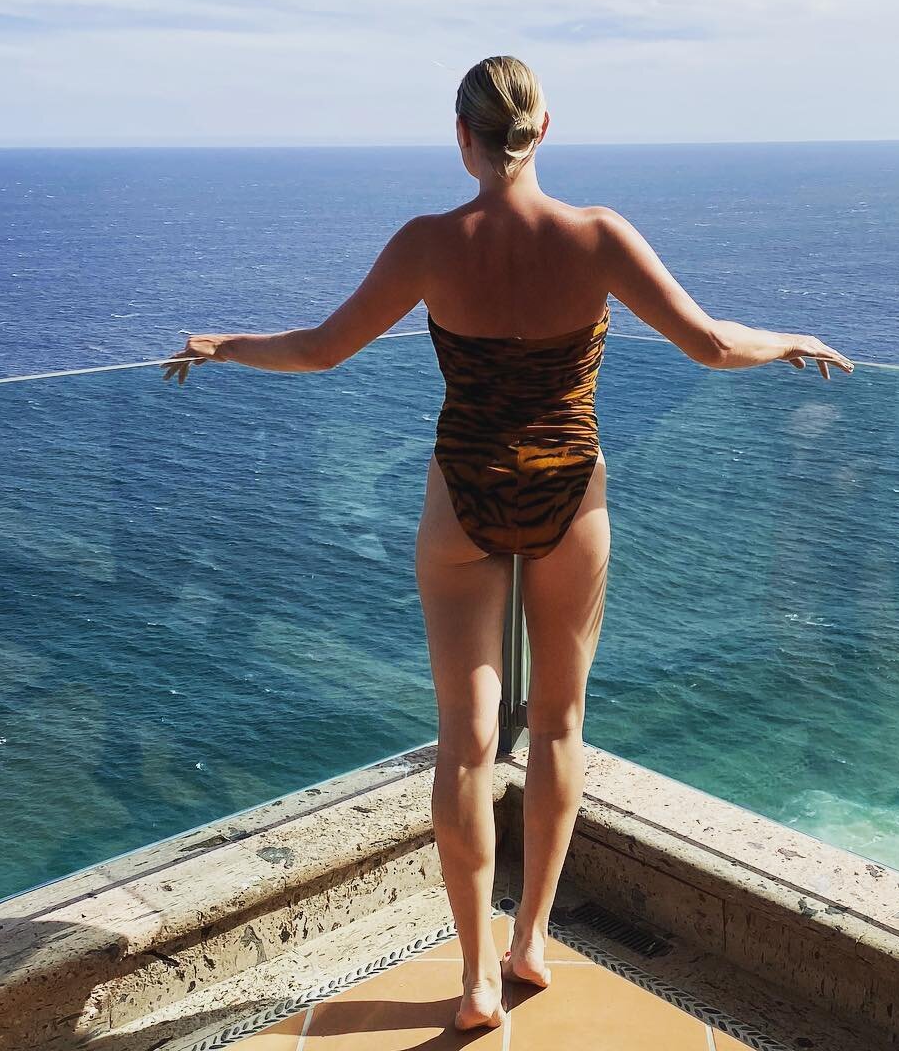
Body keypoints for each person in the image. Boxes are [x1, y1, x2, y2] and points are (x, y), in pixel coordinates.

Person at [161, 55, 853, 1032]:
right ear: (543, 131)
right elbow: (706, 342)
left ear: (463, 137)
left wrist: (223, 345)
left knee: (466, 739)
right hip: (574, 497)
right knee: (561, 725)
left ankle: (478, 974)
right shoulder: (599, 237)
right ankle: (532, 941)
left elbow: (320, 349)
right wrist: (787, 337)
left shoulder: (427, 244)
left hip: (463, 500)